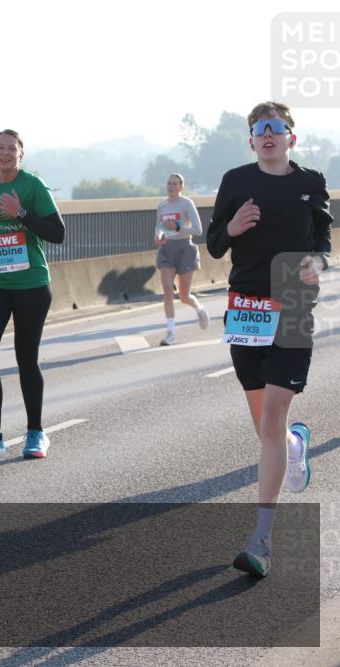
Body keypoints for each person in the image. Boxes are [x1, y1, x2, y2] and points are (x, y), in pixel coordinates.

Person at [206, 101, 331, 578]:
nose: (269, 135)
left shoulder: (310, 183)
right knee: (267, 429)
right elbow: (215, 242)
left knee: (276, 413)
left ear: (291, 138)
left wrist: (318, 263)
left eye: (277, 128)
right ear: (251, 139)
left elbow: (322, 238)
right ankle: (295, 448)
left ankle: (261, 540)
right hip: (247, 309)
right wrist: (233, 227)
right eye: (260, 129)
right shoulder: (236, 181)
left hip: (294, 305)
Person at [0, 130, 66, 463]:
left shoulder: (33, 186)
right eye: (0, 148)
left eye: (12, 148)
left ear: (21, 154)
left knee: (26, 358)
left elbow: (58, 233)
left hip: (32, 285)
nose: (5, 153)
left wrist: (21, 212)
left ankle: (36, 432)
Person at [155, 173, 210, 345]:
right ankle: (170, 333)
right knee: (168, 292)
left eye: (175, 184)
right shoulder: (162, 205)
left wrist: (178, 227)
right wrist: (158, 237)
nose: (171, 186)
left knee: (184, 296)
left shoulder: (186, 204)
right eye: (169, 183)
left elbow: (198, 230)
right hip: (167, 250)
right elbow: (158, 227)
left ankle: (199, 309)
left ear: (181, 187)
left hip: (185, 249)